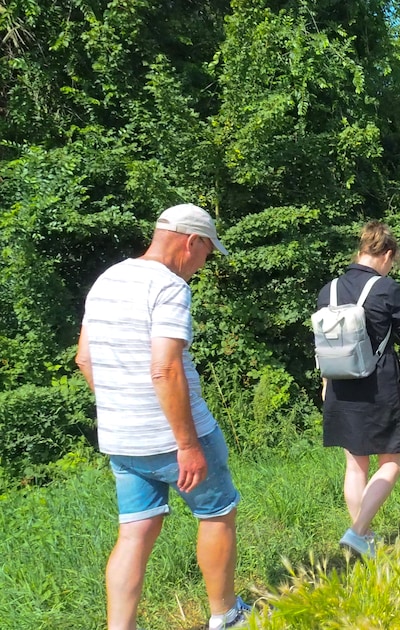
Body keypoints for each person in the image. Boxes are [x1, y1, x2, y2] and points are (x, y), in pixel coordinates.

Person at [75, 203, 252, 630]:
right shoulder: (169, 286)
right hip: (176, 436)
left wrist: (122, 408)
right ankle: (225, 614)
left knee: (134, 532)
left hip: (122, 437)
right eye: (206, 255)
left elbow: (84, 358)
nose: (202, 266)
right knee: (217, 514)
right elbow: (165, 367)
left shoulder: (106, 279)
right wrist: (187, 444)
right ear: (190, 242)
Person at [317, 221, 400, 558]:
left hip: (338, 385)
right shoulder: (386, 288)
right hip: (376, 386)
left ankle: (365, 537)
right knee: (393, 461)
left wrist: (324, 384)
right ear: (386, 254)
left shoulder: (327, 289)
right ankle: (358, 531)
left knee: (355, 465)